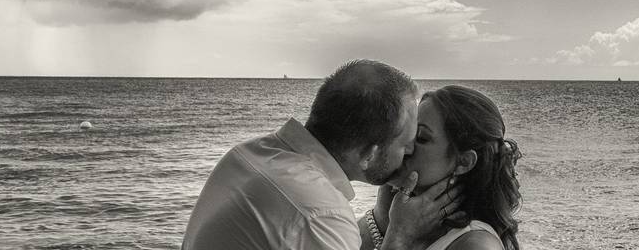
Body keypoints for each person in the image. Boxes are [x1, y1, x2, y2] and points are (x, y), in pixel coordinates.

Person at [182, 60, 462, 250]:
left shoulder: (248, 153)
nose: (411, 152)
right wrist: (399, 237)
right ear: (369, 154)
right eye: (405, 143)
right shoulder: (320, 214)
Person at [358, 85, 522, 250]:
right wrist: (382, 219)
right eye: (407, 132)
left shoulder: (476, 245)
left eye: (421, 137)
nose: (405, 145)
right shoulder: (403, 218)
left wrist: (399, 236)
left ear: (464, 162)